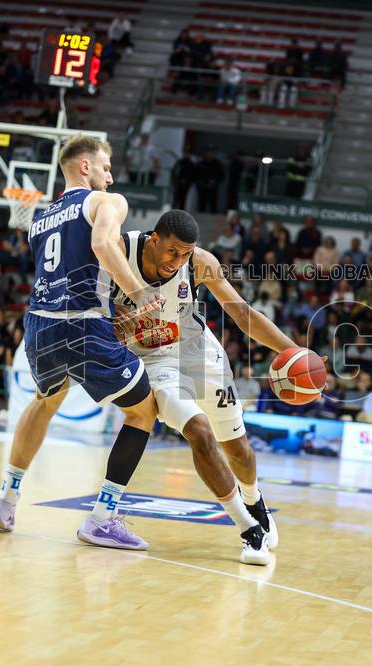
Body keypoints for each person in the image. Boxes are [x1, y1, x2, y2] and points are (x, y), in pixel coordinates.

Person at [0, 135, 163, 552]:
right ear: (85, 167)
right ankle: (102, 517)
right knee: (144, 411)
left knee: (46, 400)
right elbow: (101, 245)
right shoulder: (106, 202)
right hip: (81, 324)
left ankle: (6, 500)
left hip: (37, 324)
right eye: (105, 167)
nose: (111, 175)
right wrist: (138, 294)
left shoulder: (42, 217)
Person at [112, 210, 302, 564]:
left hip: (201, 354)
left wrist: (293, 351)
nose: (178, 261)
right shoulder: (118, 252)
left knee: (239, 450)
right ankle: (249, 529)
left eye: (185, 254)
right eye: (172, 252)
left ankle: (253, 497)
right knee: (200, 432)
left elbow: (243, 314)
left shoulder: (200, 263)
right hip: (156, 365)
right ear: (154, 239)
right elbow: (95, 318)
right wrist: (115, 329)